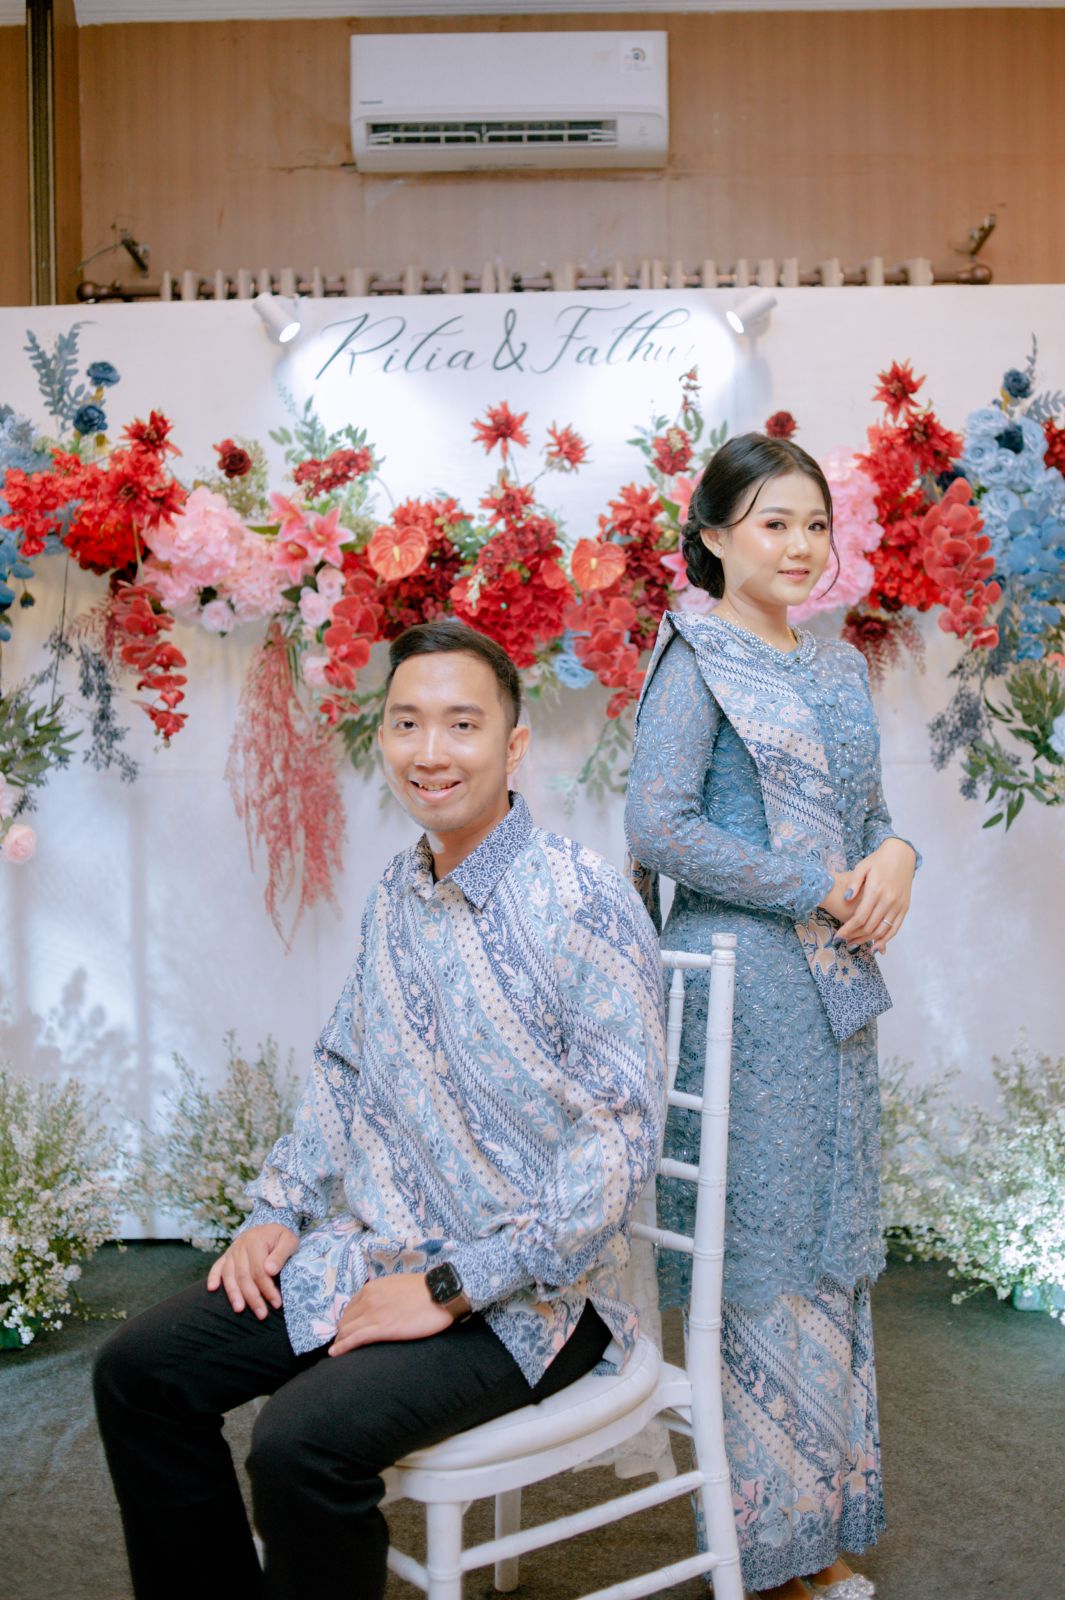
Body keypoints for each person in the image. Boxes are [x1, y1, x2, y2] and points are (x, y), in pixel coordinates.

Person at [94, 619, 666, 1600]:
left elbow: (620, 1144)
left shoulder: (584, 900)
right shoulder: (400, 889)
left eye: (461, 725)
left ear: (514, 747)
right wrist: (277, 1206)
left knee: (299, 1445)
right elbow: (345, 1066)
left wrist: (448, 1287)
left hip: (538, 1292)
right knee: (139, 1374)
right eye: (407, 723)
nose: (429, 751)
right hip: (382, 1245)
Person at [624, 434, 918, 1600]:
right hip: (743, 993)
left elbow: (873, 815)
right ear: (712, 536)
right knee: (760, 1258)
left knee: (828, 1249)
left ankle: (823, 1530)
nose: (799, 546)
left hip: (833, 993)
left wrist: (898, 854)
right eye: (771, 523)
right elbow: (659, 827)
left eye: (814, 524)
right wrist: (814, 885)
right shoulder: (697, 656)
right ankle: (769, 1552)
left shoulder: (837, 668)